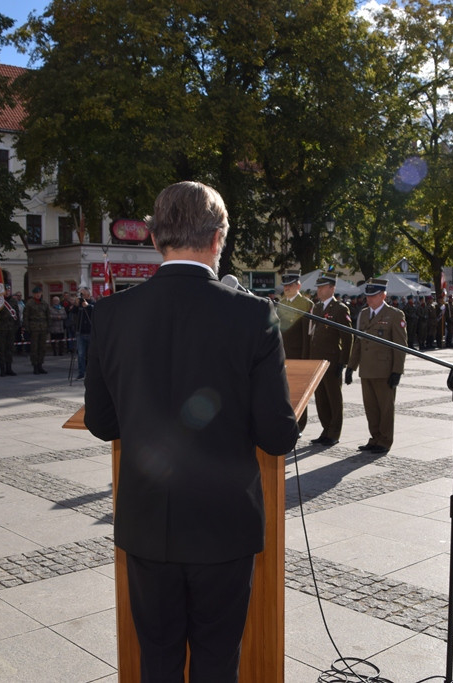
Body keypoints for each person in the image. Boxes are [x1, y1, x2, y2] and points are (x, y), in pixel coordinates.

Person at [84, 181, 298, 683]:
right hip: (223, 526)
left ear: (156, 237)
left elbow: (101, 423)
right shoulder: (252, 315)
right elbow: (277, 437)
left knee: (156, 660)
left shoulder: (112, 313)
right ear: (218, 237)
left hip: (147, 522)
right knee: (217, 662)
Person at [345, 278, 405, 454]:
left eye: (373, 296)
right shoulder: (364, 314)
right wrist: (351, 367)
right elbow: (358, 341)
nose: (369, 299)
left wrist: (397, 371)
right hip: (367, 369)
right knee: (370, 407)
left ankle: (385, 440)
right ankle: (374, 438)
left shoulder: (394, 315)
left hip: (384, 370)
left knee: (385, 408)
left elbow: (400, 345)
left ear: (382, 295)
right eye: (368, 296)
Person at [306, 272, 351, 447]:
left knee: (334, 398)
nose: (319, 290)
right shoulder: (316, 308)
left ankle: (334, 432)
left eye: (322, 287)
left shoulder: (340, 309)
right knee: (321, 398)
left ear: (332, 288)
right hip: (317, 360)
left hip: (332, 361)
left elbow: (347, 338)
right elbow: (313, 335)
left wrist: (343, 362)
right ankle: (325, 429)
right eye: (318, 287)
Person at [278, 270, 313, 433]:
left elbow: (307, 335)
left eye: (290, 285)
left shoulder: (306, 304)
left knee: (299, 392)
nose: (287, 288)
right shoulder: (281, 303)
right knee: (284, 392)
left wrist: (305, 359)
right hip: (282, 355)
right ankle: (286, 422)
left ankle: (300, 424)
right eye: (285, 285)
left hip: (298, 354)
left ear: (298, 285)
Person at [24, 286, 50, 374]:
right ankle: (35, 366)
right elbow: (26, 316)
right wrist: (27, 328)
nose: (38, 295)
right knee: (34, 348)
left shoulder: (45, 303)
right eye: (36, 293)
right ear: (34, 294)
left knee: (42, 347)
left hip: (43, 327)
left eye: (39, 293)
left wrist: (48, 327)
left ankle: (40, 365)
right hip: (34, 328)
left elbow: (48, 316)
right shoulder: (29, 304)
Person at [0, 293, 18, 376]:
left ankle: (9, 368)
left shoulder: (13, 301)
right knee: (2, 349)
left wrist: (16, 326)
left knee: (10, 349)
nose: (8, 292)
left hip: (11, 329)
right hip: (2, 329)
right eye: (6, 290)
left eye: (9, 290)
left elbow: (16, 314)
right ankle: (2, 369)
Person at [73, 287, 94, 379]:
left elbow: (96, 310)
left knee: (91, 354)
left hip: (90, 332)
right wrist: (76, 305)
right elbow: (72, 312)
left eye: (83, 294)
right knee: (81, 354)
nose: (82, 297)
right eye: (81, 295)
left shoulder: (92, 302)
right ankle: (81, 372)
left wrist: (88, 306)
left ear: (88, 294)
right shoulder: (79, 305)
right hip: (80, 332)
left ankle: (91, 373)